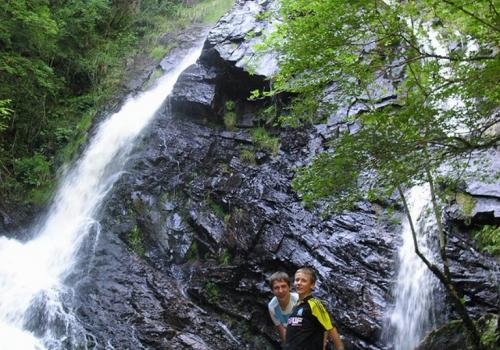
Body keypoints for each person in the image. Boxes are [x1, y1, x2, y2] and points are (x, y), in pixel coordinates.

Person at [285, 267, 345, 350]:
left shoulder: (315, 304)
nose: (299, 283)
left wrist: (339, 347)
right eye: (297, 280)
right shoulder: (295, 306)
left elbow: (330, 328)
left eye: (304, 281)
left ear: (312, 285)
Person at [268, 271, 299, 346]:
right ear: (272, 291)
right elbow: (282, 331)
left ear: (290, 287)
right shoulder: (272, 306)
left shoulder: (299, 300)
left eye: (283, 286)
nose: (280, 291)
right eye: (276, 288)